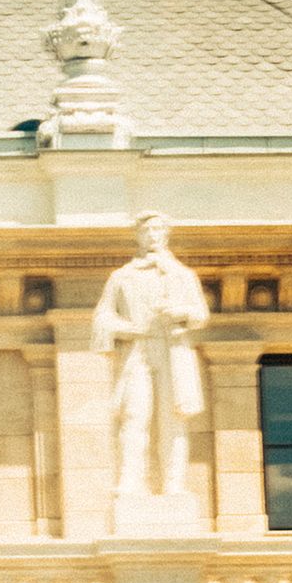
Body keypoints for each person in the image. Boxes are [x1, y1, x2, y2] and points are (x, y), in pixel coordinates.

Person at [90, 209, 210, 504]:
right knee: (134, 416)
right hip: (138, 351)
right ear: (138, 236)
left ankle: (173, 483)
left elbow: (200, 314)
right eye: (147, 231)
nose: (153, 235)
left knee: (173, 419)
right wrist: (128, 328)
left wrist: (179, 312)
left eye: (158, 230)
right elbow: (102, 319)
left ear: (166, 234)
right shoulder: (122, 277)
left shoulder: (182, 275)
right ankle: (130, 481)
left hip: (172, 351)